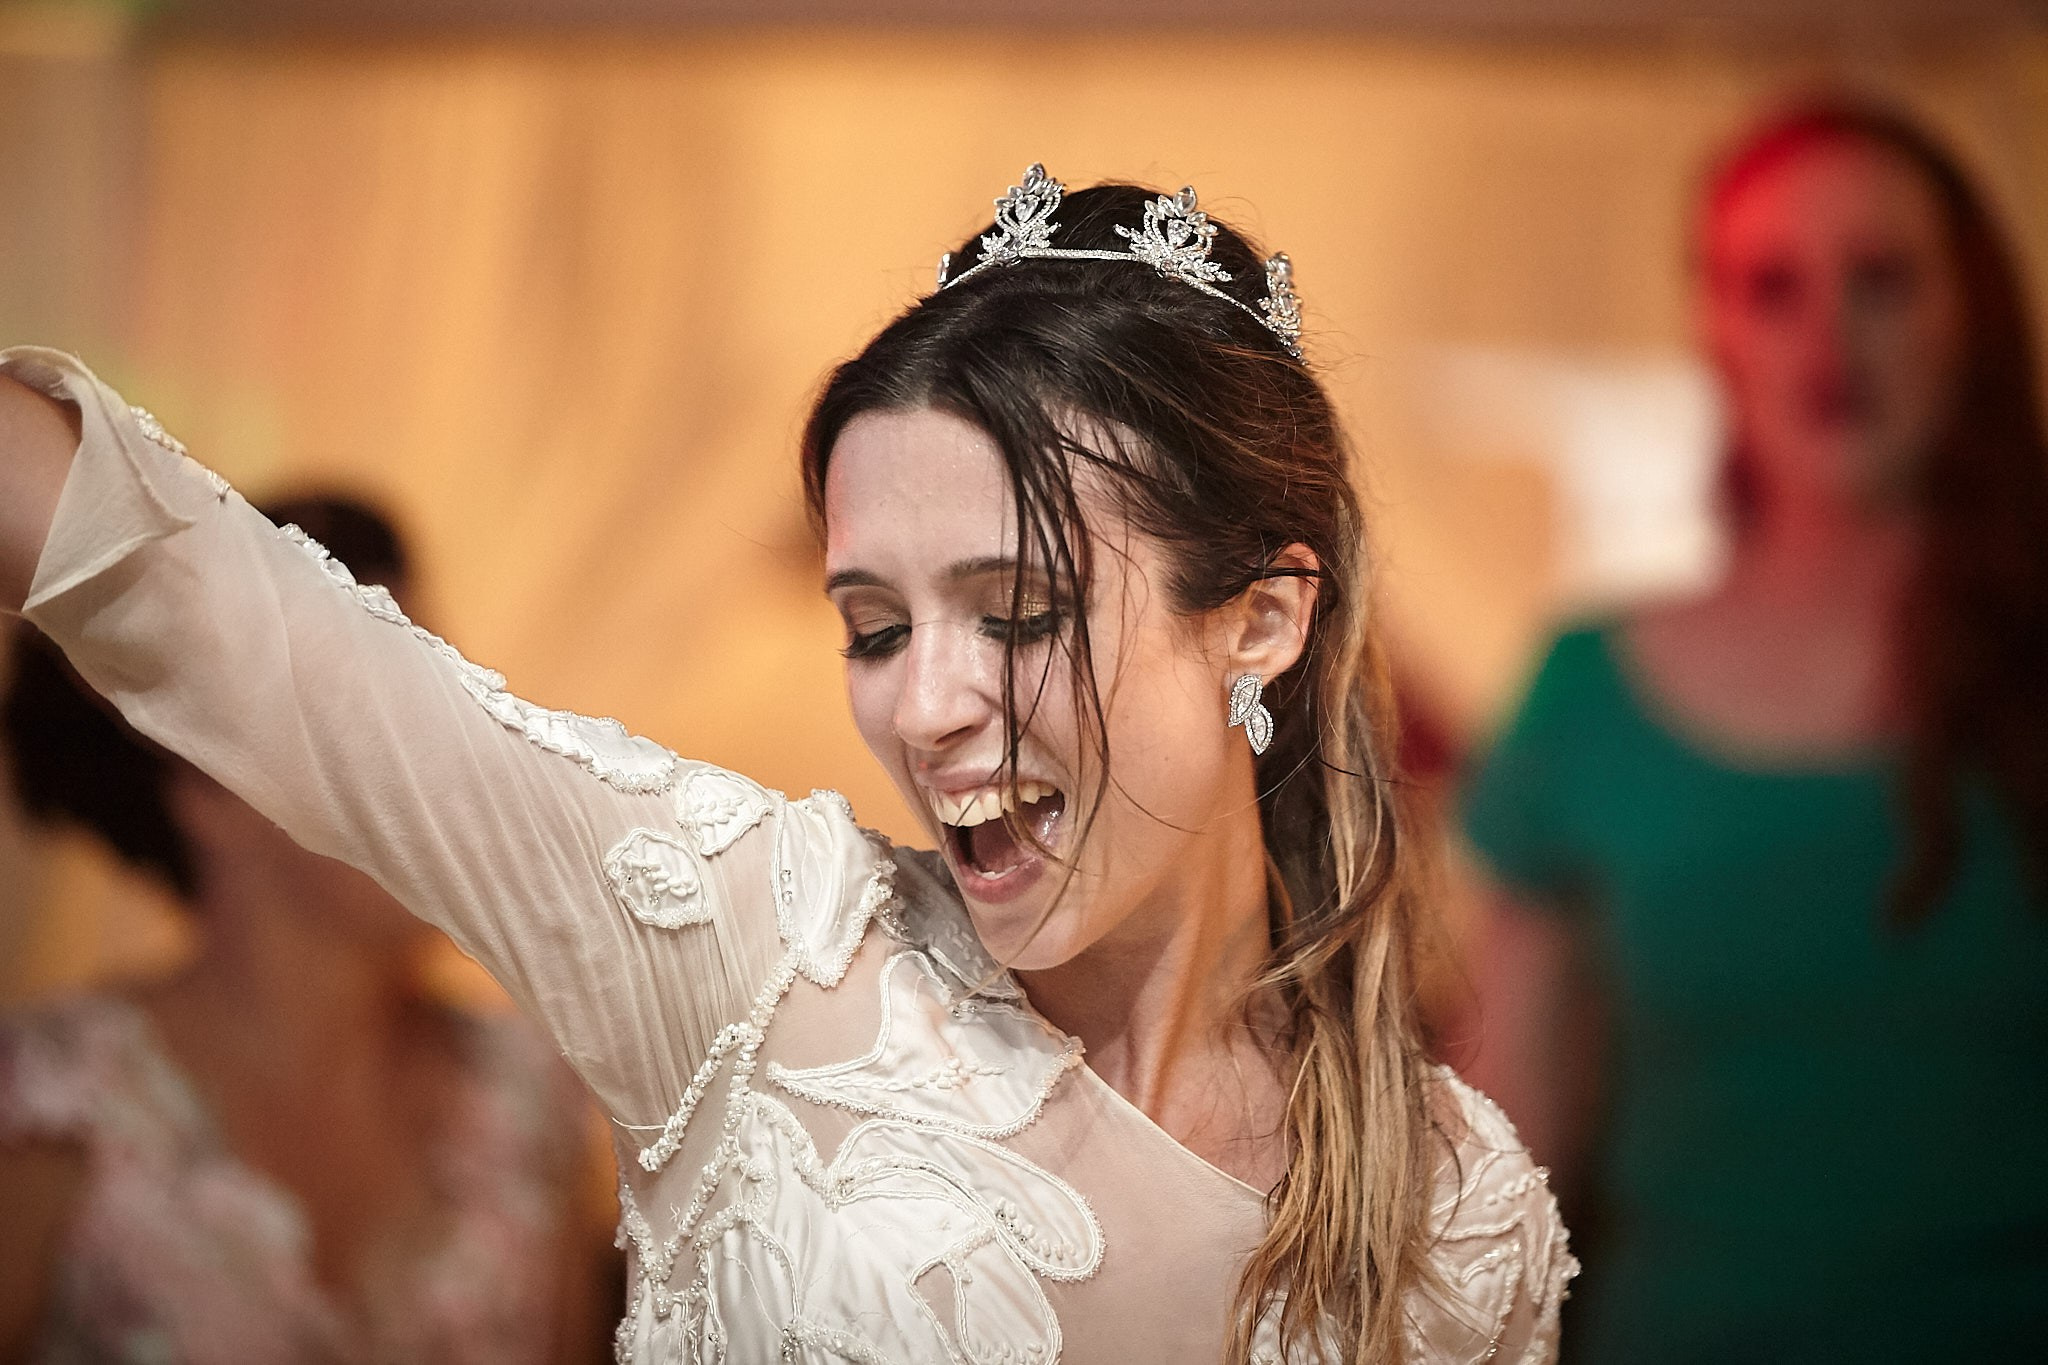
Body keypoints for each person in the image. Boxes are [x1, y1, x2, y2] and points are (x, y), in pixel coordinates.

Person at [0, 166, 1574, 1363]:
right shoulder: (758, 945)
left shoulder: (1462, 1216)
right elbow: (233, 620)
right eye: (876, 626)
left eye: (1015, 608)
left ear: (1261, 618)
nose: (926, 708)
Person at [1459, 100, 2048, 1360]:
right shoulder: (1587, 691)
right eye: (1771, 287)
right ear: (1714, 332)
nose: (1829, 335)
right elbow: (1507, 1175)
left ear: (1970, 316)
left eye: (1880, 279)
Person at [0, 497, 618, 1364]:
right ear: (215, 788)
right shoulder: (51, 1111)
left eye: (458, 711)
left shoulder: (528, 1101)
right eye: (391, 716)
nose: (463, 764)